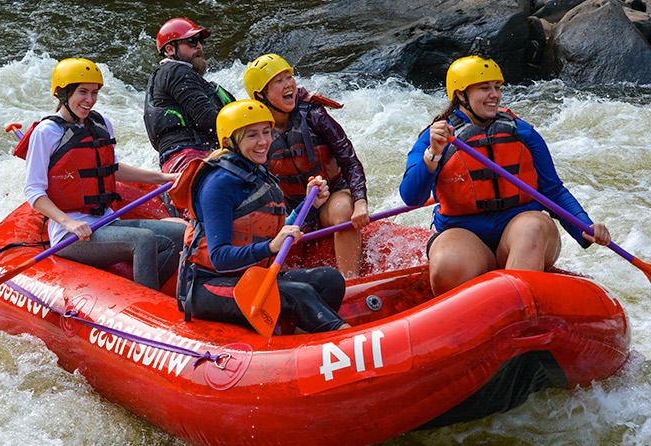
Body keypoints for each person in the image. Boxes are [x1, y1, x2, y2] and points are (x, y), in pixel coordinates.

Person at [399, 55, 611, 296]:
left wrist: (584, 225)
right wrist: (432, 155)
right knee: (449, 263)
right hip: (464, 235)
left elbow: (552, 190)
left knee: (532, 227)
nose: (495, 95)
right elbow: (411, 197)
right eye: (484, 88)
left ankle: (517, 302)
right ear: (460, 95)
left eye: (497, 88)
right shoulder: (435, 137)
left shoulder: (522, 132)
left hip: (520, 235)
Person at [172, 99, 350, 333]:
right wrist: (270, 248)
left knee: (329, 279)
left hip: (251, 276)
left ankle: (301, 339)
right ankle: (341, 336)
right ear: (230, 141)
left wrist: (311, 205)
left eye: (266, 132)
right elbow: (219, 258)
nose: (263, 141)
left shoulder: (256, 172)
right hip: (208, 285)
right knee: (299, 293)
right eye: (252, 135)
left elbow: (278, 232)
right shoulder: (218, 184)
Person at [19, 57, 186, 291]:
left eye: (94, 93)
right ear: (63, 93)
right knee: (143, 239)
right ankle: (145, 303)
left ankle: (138, 289)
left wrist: (164, 178)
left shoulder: (102, 124)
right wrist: (69, 222)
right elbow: (33, 191)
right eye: (82, 92)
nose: (90, 100)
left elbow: (112, 168)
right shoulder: (46, 132)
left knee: (181, 233)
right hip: (70, 235)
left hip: (107, 221)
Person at [243, 54, 370, 278]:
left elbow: (349, 159)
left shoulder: (314, 115)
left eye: (289, 77)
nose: (289, 84)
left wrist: (360, 202)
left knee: (342, 210)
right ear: (260, 95)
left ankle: (351, 281)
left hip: (330, 195)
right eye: (278, 81)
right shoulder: (254, 132)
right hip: (289, 209)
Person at [144, 17, 235, 178]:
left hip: (179, 156)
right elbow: (206, 118)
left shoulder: (169, 74)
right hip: (189, 155)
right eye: (191, 41)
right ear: (170, 49)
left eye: (200, 41)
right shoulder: (177, 72)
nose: (199, 46)